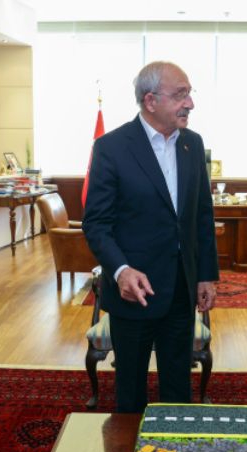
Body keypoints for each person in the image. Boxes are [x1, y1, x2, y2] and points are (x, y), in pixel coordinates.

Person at [82, 61, 219, 413]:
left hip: (181, 291)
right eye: (180, 95)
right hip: (134, 292)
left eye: (189, 94)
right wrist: (120, 270)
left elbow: (202, 216)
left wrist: (206, 275)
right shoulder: (111, 147)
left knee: (178, 389)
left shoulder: (192, 144)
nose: (190, 103)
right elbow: (96, 224)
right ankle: (130, 448)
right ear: (150, 100)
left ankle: (176, 444)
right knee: (130, 392)